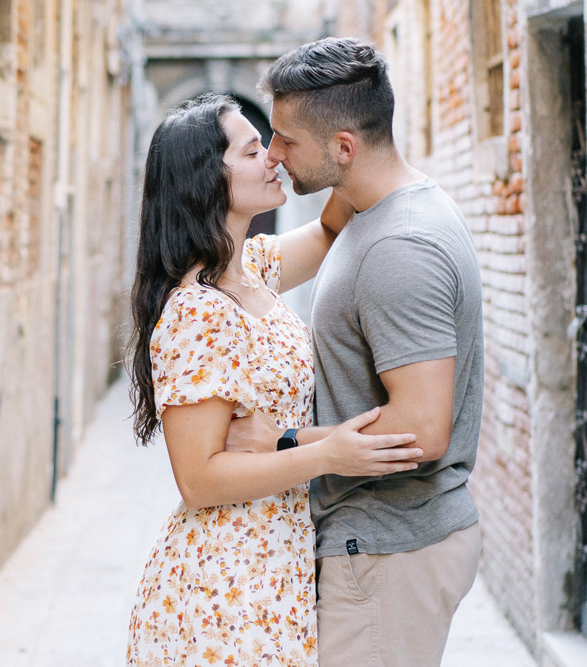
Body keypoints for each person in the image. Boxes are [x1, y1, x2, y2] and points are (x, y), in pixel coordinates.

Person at [125, 92, 422, 666]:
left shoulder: (251, 268)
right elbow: (199, 479)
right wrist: (327, 454)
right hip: (223, 587)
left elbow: (335, 223)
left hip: (273, 565)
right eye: (255, 149)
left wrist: (331, 121)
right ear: (207, 179)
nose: (274, 159)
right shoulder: (198, 310)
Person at [228, 37, 485, 666]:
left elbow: (422, 431)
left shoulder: (400, 248)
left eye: (286, 139)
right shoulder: (372, 206)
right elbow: (318, 229)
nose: (275, 153)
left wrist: (286, 444)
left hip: (386, 551)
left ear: (344, 147)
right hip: (377, 546)